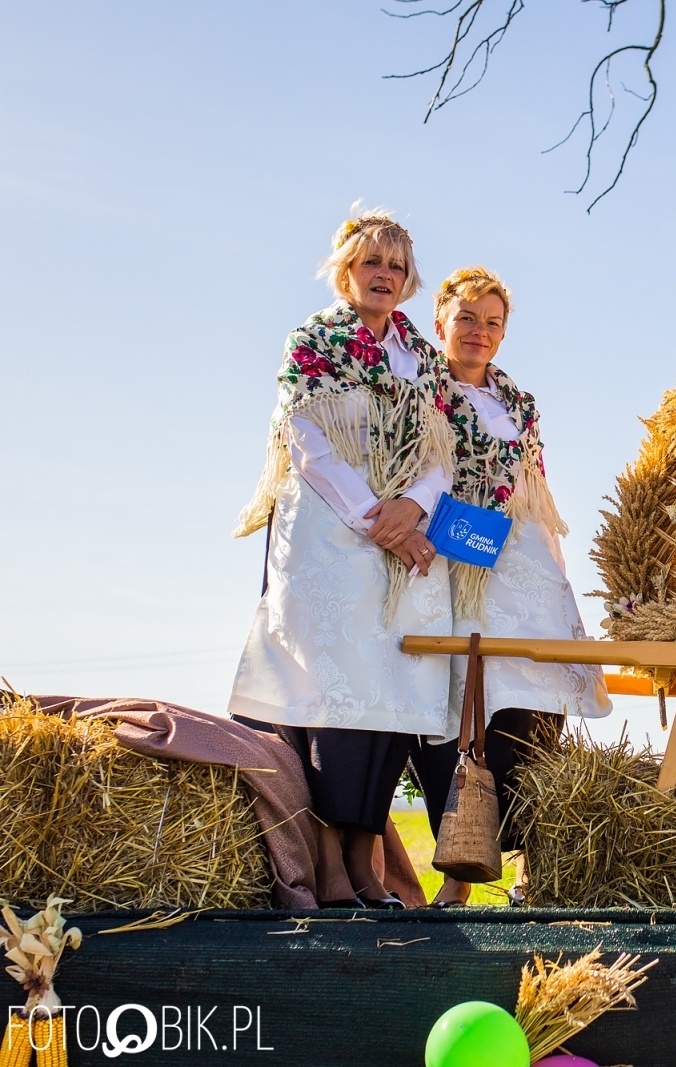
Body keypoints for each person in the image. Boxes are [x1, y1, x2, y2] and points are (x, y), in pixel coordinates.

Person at [230, 210, 456, 908]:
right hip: (331, 539)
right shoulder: (315, 341)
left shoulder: (421, 356)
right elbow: (307, 439)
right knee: (329, 700)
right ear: (346, 270)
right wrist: (376, 518)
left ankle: (367, 866)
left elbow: (442, 452)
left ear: (409, 279)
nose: (384, 275)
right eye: (371, 263)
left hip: (403, 544)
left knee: (391, 697)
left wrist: (414, 509)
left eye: (396, 265)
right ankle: (329, 869)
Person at [409, 267, 612, 908]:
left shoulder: (519, 404)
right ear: (441, 321)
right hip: (450, 551)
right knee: (467, 706)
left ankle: (536, 866)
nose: (480, 332)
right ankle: (459, 875)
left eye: (493, 322)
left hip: (518, 553)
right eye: (468, 318)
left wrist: (555, 571)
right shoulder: (419, 388)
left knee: (536, 699)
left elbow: (534, 487)